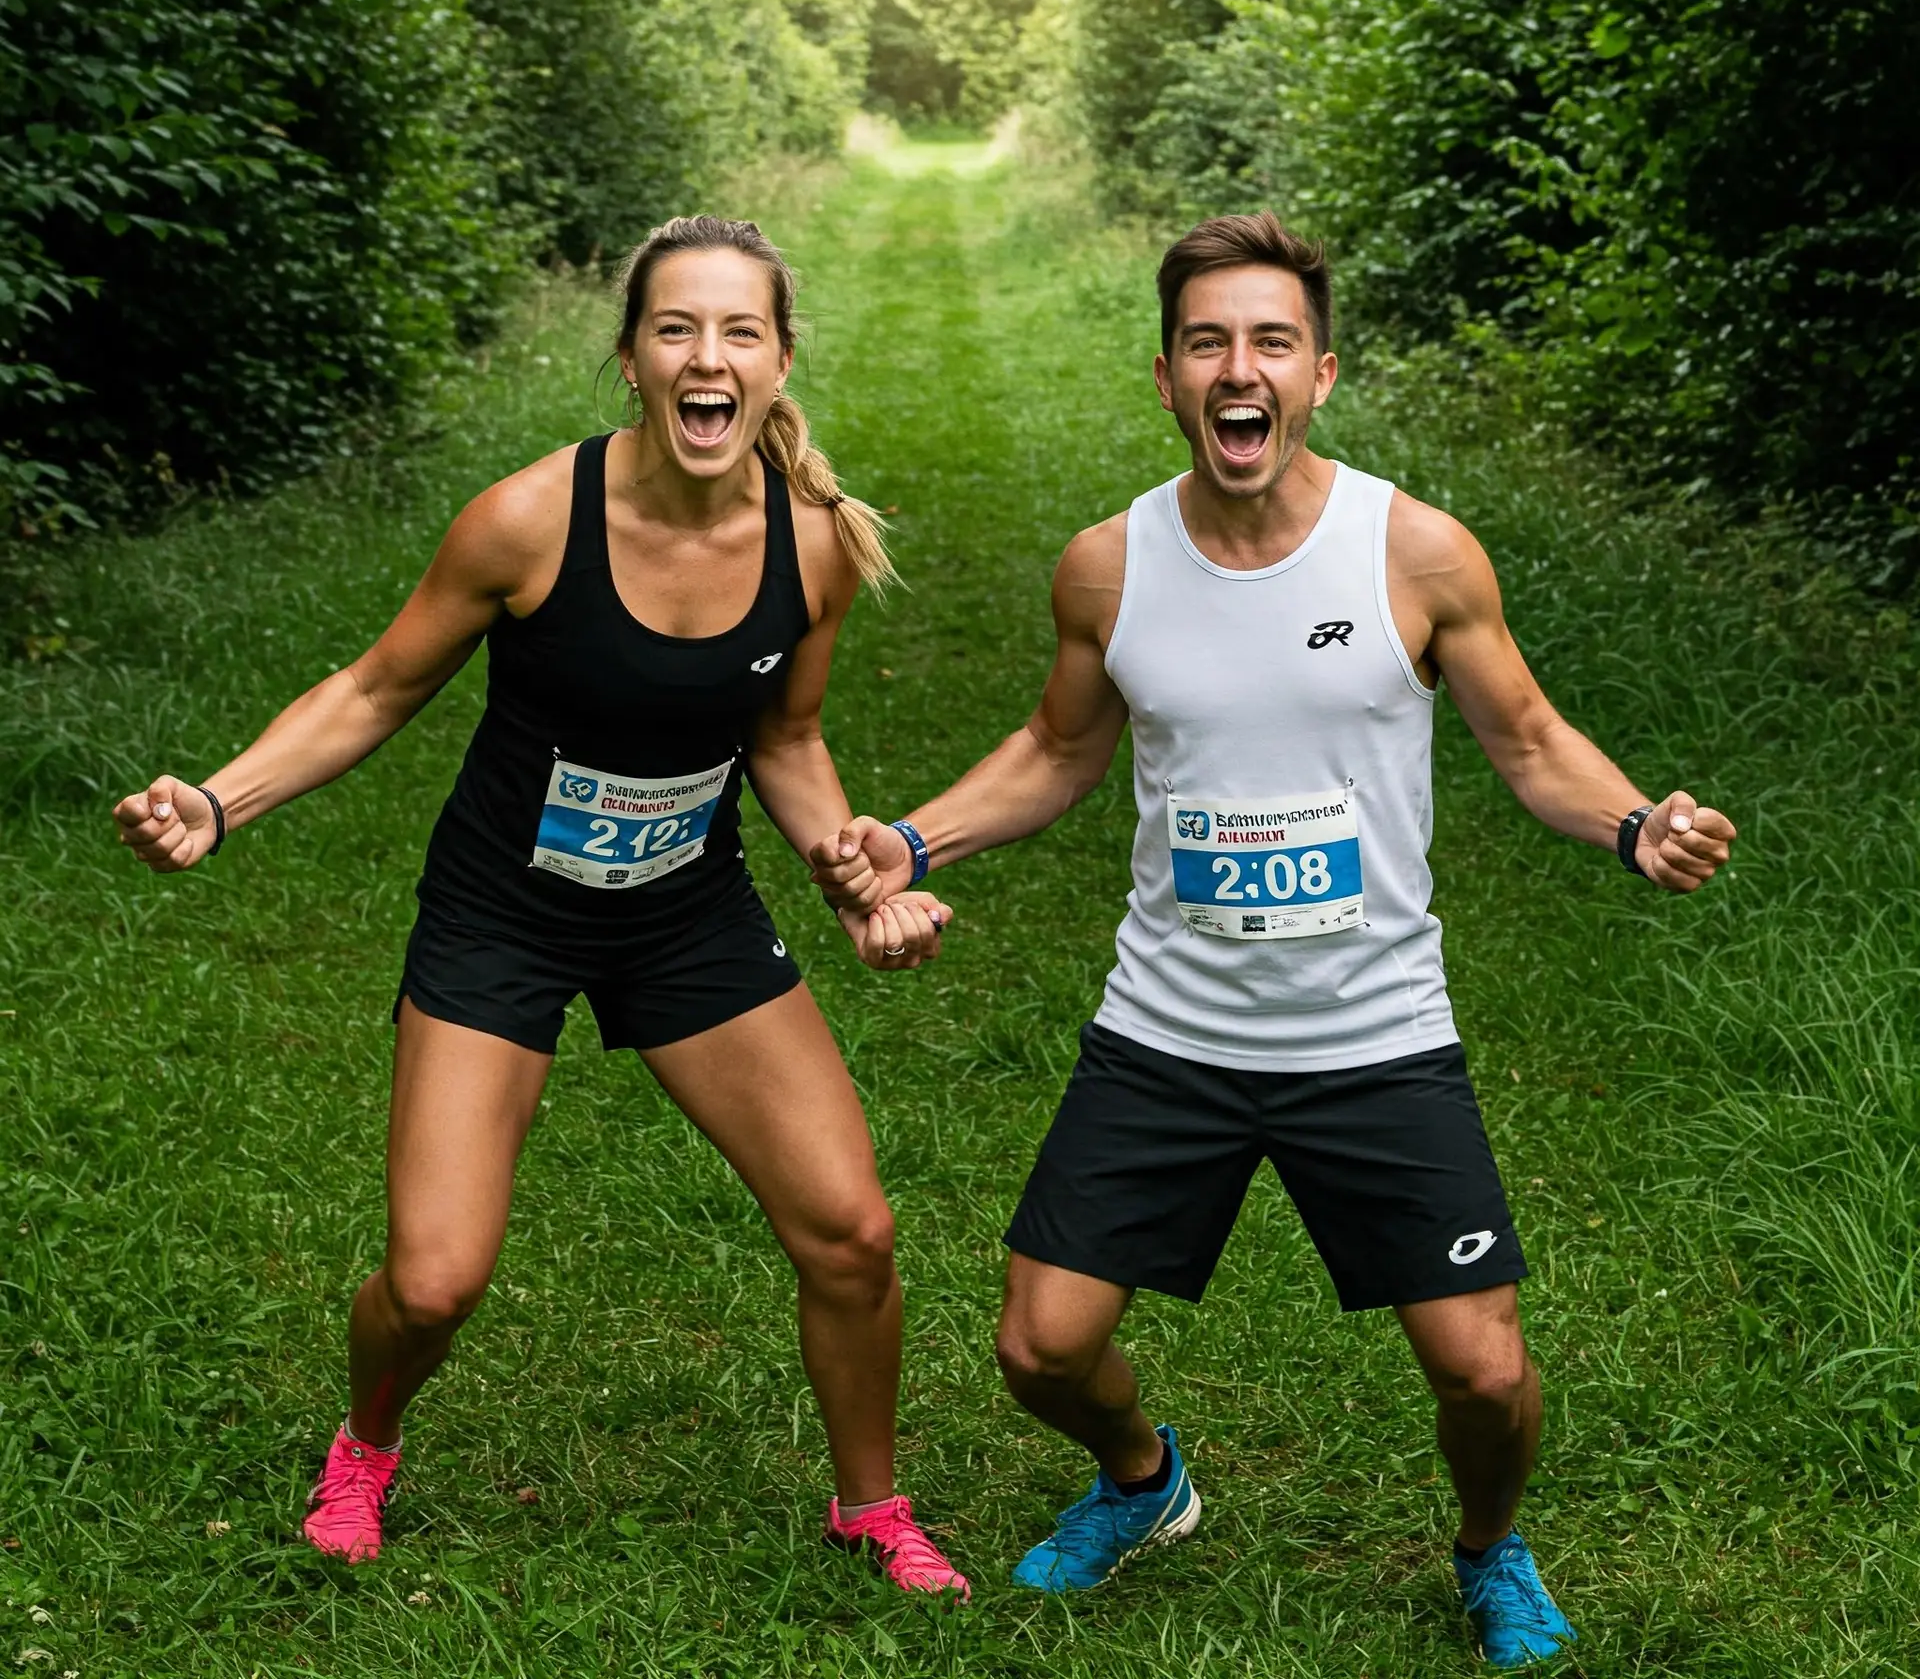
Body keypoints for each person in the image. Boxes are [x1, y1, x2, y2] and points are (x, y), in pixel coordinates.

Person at [810, 212, 1736, 1665]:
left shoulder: (1414, 553)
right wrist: (911, 842)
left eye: (1272, 342)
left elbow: (1531, 740)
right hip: (1169, 1032)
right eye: (1207, 343)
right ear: (1167, 377)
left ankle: (1490, 1550)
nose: (1239, 369)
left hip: (1374, 1036)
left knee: (1486, 1377)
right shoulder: (1108, 567)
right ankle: (1144, 1482)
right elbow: (1057, 750)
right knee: (1040, 1350)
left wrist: (1635, 825)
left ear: (1320, 373)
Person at [112, 216, 968, 1597]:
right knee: (433, 1283)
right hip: (501, 915)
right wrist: (222, 801)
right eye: (676, 329)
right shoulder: (527, 521)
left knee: (853, 1235)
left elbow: (787, 738)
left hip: (685, 911)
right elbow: (375, 687)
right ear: (632, 357)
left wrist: (858, 877)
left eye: (739, 331)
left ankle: (869, 1505)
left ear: (779, 360)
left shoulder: (812, 545)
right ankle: (366, 1443)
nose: (707, 357)